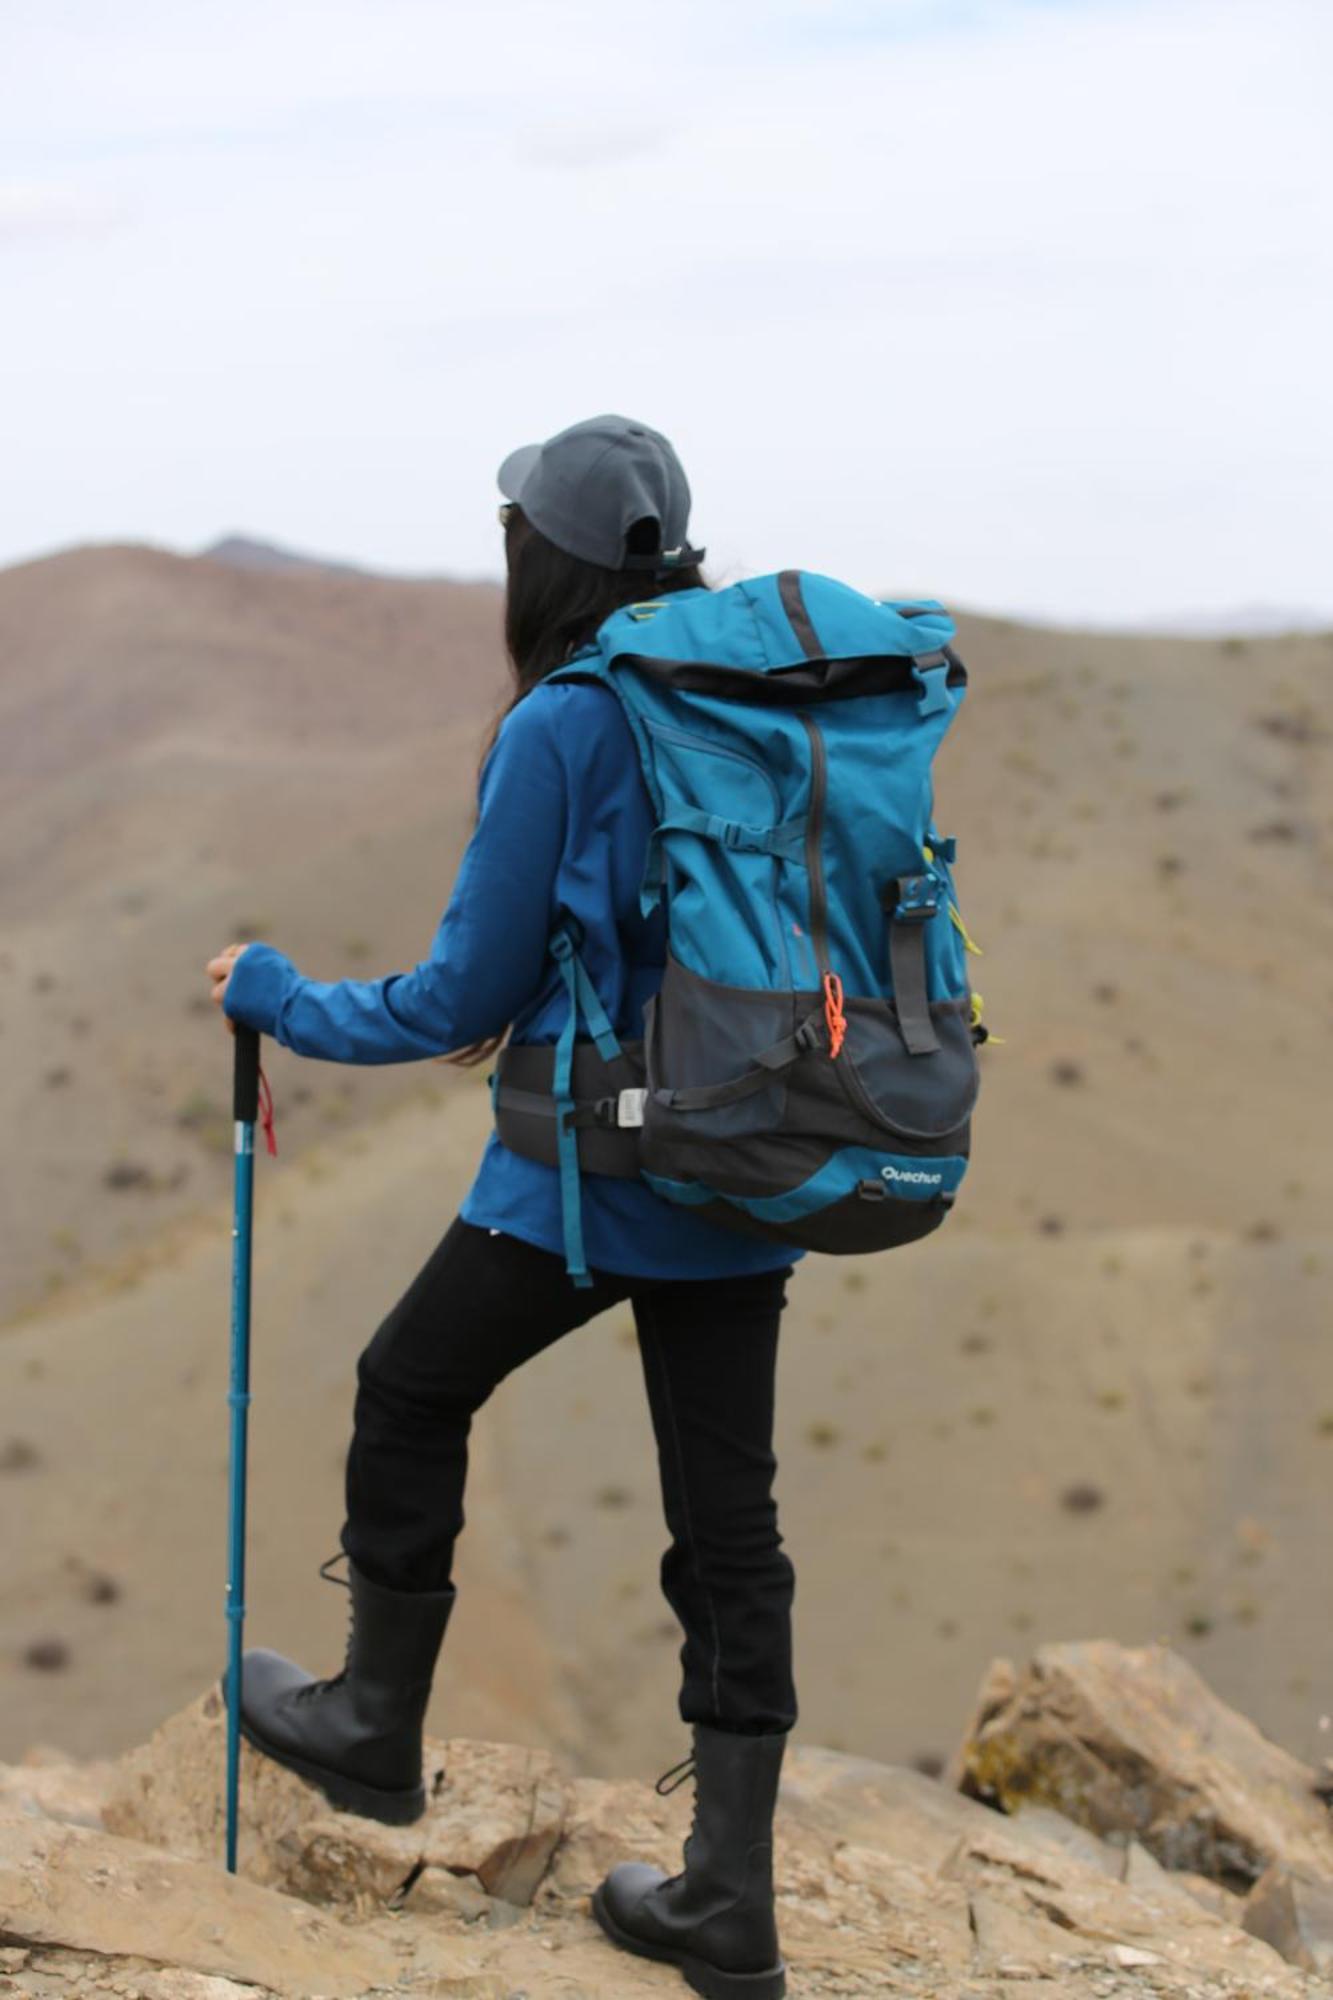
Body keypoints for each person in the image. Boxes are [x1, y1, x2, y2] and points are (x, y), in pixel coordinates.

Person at [207, 415, 800, 2000]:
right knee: (726, 1521)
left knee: (407, 1389)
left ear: (536, 555)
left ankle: (373, 1727)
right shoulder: (753, 689)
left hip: (591, 1179)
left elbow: (452, 992)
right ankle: (727, 1900)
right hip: (751, 1161)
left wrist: (274, 993)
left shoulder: (566, 722)